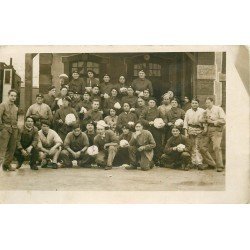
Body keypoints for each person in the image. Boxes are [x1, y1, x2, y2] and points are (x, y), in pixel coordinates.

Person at [183, 98, 211, 170]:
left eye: (196, 103)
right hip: (191, 129)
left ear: (198, 104)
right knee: (192, 147)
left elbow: (205, 121)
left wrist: (205, 128)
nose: (194, 104)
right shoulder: (188, 111)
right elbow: (185, 122)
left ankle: (199, 163)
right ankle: (193, 162)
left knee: (198, 146)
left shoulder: (202, 111)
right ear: (191, 104)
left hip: (199, 130)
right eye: (193, 103)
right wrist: (186, 132)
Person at [202, 97, 226, 172]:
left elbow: (223, 120)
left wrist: (212, 121)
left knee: (216, 147)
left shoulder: (218, 109)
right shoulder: (205, 111)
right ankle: (211, 164)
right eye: (206, 103)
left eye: (209, 102)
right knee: (202, 147)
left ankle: (220, 166)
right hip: (208, 130)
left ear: (212, 102)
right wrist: (204, 123)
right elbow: (205, 121)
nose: (207, 104)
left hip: (216, 130)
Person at [139, 97, 165, 163]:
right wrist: (148, 122)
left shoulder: (158, 110)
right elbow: (141, 119)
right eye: (151, 102)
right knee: (148, 143)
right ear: (148, 103)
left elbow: (164, 118)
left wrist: (162, 123)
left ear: (155, 103)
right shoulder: (145, 110)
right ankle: (148, 159)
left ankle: (157, 159)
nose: (152, 104)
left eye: (153, 102)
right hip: (148, 129)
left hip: (156, 129)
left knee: (157, 144)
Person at [0, 89, 19, 171]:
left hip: (14, 129)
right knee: (2, 148)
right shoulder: (3, 105)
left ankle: (6, 164)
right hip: (5, 128)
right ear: (8, 96)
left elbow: (16, 119)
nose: (13, 97)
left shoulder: (16, 107)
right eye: (11, 95)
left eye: (15, 96)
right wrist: (1, 127)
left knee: (12, 148)